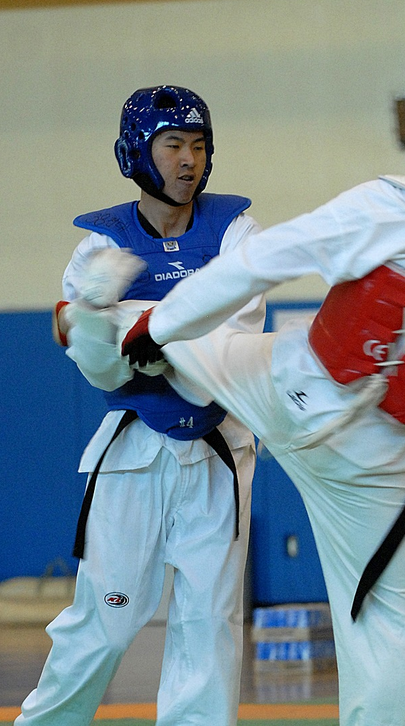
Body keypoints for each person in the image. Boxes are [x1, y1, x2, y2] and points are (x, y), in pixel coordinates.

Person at [119, 60, 405, 725]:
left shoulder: (390, 200)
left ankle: (107, 322)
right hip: (373, 463)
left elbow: (261, 263)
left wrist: (160, 326)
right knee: (399, 631)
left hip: (285, 383)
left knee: (179, 340)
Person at [17, 86, 265, 726]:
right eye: (173, 144)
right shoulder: (100, 245)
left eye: (199, 144)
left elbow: (232, 346)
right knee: (108, 616)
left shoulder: (236, 228)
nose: (189, 159)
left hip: (218, 452)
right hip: (134, 449)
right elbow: (94, 362)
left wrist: (124, 325)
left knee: (208, 622)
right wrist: (114, 334)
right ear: (138, 151)